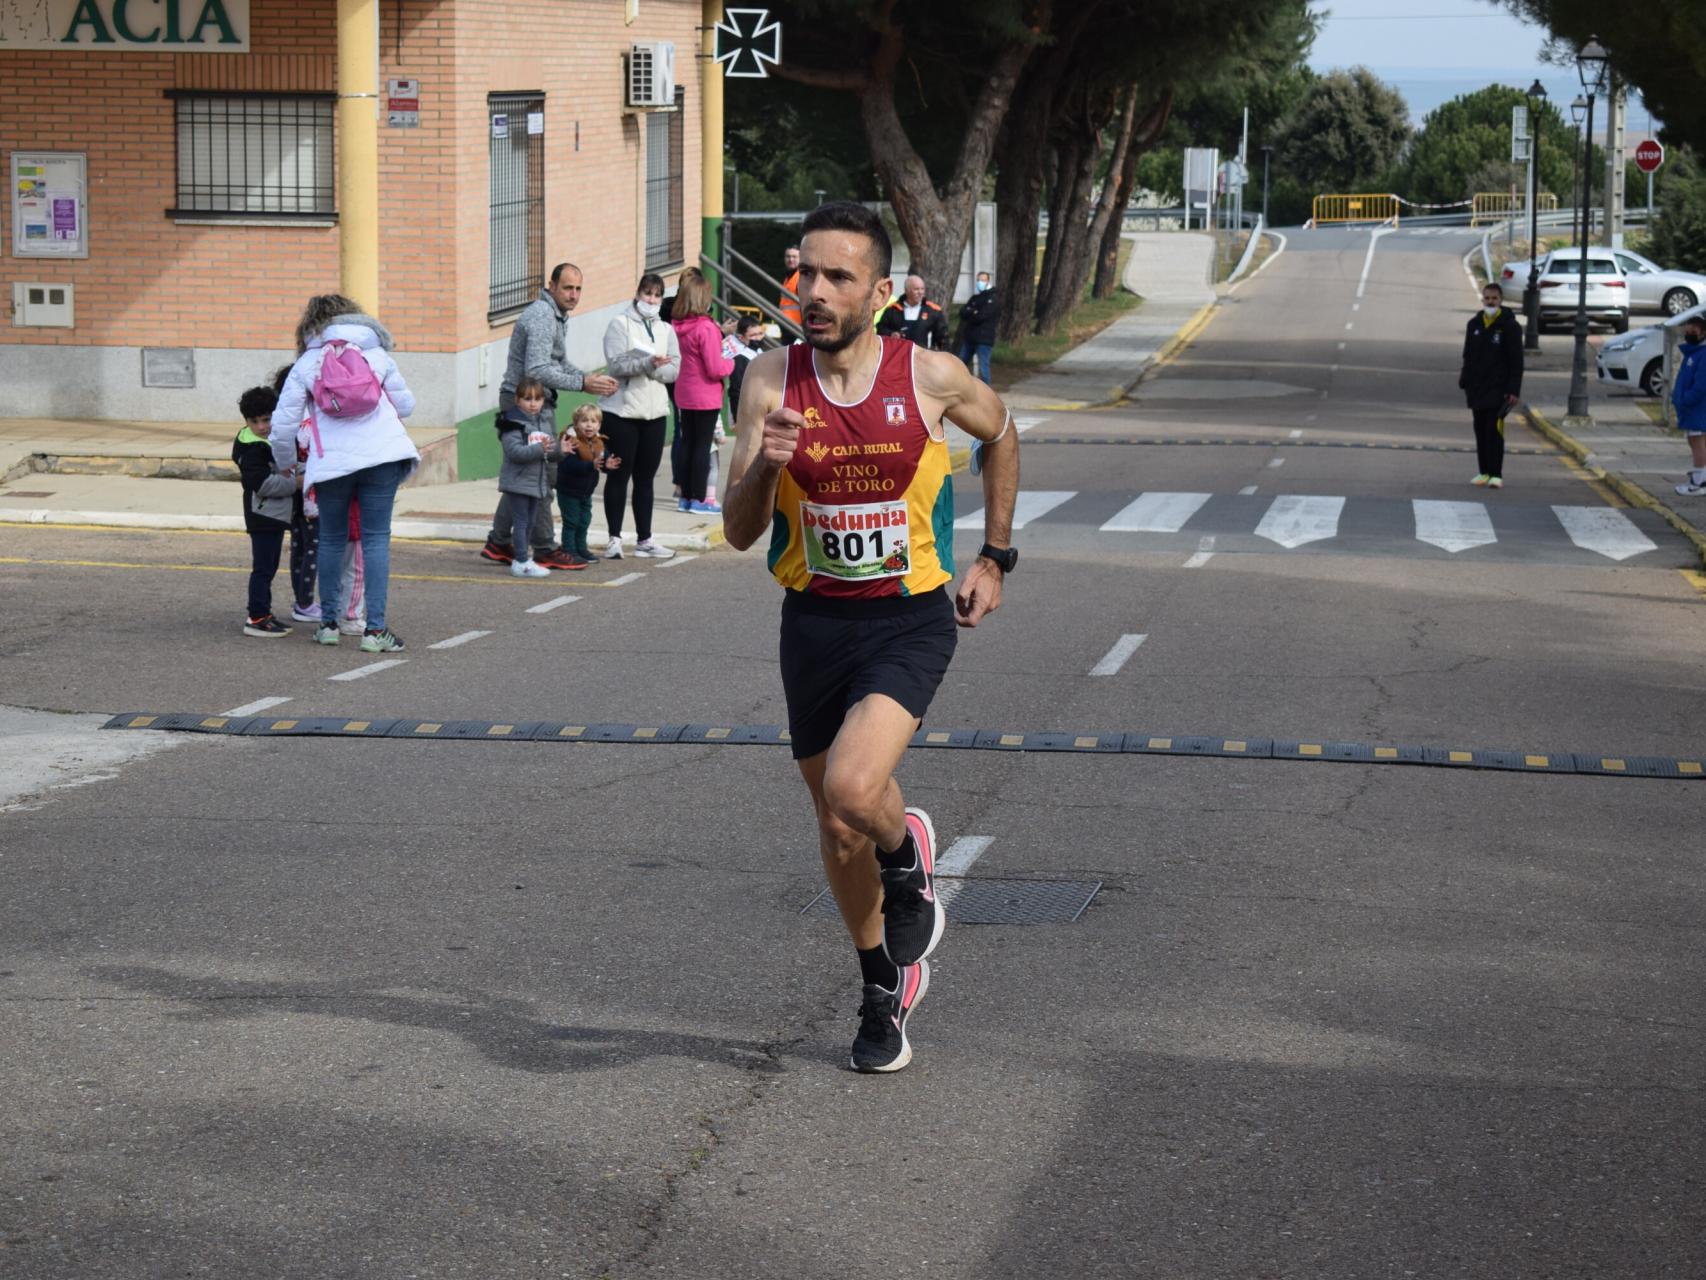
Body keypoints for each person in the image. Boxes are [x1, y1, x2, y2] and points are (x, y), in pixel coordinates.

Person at [721, 201, 1019, 1074]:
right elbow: (740, 530)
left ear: (880, 292)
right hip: (812, 621)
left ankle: (906, 855)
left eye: (837, 277)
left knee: (855, 790)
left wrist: (996, 556)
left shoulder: (930, 377)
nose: (813, 292)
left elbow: (1002, 435)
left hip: (906, 617)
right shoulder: (770, 382)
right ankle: (880, 978)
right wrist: (768, 464)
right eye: (805, 273)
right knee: (835, 822)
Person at [270, 294, 419, 652]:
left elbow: (282, 425)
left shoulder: (307, 363)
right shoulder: (377, 354)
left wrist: (287, 462)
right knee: (376, 540)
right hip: (382, 457)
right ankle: (375, 630)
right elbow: (407, 406)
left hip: (332, 464)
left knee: (333, 539)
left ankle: (329, 624)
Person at [482, 264, 618, 568]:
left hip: (534, 401)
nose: (573, 295)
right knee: (543, 472)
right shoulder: (543, 316)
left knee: (527, 475)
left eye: (578, 289)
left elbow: (557, 362)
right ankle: (544, 547)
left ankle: (499, 542)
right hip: (527, 403)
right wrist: (582, 383)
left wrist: (585, 377)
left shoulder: (555, 314)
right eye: (567, 288)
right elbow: (537, 370)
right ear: (552, 286)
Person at [599, 273, 680, 560]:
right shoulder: (620, 324)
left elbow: (674, 370)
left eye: (657, 295)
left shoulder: (665, 330)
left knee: (645, 479)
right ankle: (613, 538)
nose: (652, 300)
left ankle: (645, 539)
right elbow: (617, 364)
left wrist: (652, 367)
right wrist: (648, 362)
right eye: (647, 294)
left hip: (654, 412)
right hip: (622, 411)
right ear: (637, 294)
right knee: (619, 475)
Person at [232, 385, 296, 638]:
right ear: (246, 421)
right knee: (263, 568)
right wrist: (295, 483)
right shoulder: (251, 448)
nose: (261, 426)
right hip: (262, 515)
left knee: (269, 566)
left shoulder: (270, 440)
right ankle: (256, 617)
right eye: (254, 421)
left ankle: (264, 613)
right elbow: (262, 484)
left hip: (274, 515)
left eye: (266, 419)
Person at [671, 271, 736, 516]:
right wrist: (731, 363)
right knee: (702, 448)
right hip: (705, 394)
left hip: (684, 392)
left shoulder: (677, 327)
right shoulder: (706, 328)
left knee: (687, 445)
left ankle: (686, 496)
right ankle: (700, 497)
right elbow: (715, 367)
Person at [496, 376, 571, 577]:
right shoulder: (512, 422)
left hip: (537, 482)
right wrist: (540, 449)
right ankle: (520, 561)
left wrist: (561, 450)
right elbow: (515, 453)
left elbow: (548, 452)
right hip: (518, 482)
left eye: (537, 399)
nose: (533, 404)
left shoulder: (542, 422)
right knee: (521, 523)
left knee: (530, 522)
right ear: (517, 400)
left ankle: (524, 558)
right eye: (527, 399)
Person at [1458, 282, 1524, 489]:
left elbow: (1517, 361)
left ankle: (1496, 474)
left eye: (1494, 298)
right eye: (1487, 298)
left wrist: (1513, 389)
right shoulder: (1474, 324)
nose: (1490, 301)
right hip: (1477, 388)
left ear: (1501, 300)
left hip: (1499, 389)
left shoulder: (1510, 327)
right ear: (1483, 299)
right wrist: (1465, 379)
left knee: (1493, 430)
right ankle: (1483, 472)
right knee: (1479, 429)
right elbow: (1468, 355)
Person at [271, 363, 320, 625]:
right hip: (310, 490)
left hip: (291, 488)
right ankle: (305, 603)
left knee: (300, 545)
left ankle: (302, 600)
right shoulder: (309, 416)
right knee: (313, 545)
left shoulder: (282, 415)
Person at [558, 403, 613, 563]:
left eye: (593, 421)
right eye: (584, 421)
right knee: (571, 521)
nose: (589, 425)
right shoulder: (571, 442)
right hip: (569, 490)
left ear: (599, 425)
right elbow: (569, 465)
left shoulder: (599, 442)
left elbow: (602, 462)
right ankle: (569, 550)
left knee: (584, 521)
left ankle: (581, 548)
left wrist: (607, 466)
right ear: (575, 424)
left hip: (586, 492)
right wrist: (591, 465)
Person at [1671, 312, 1706, 496]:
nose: (1690, 331)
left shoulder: (1702, 354)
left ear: (1703, 333)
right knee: (1695, 441)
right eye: (1689, 327)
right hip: (1692, 407)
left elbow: (1701, 385)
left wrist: (1686, 400)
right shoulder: (1693, 353)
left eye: (1695, 329)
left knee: (1697, 441)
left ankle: (1698, 483)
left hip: (1697, 407)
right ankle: (1701, 477)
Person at [876, 274, 950, 351]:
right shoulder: (893, 310)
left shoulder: (933, 311)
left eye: (922, 289)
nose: (920, 292)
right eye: (916, 289)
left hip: (925, 357)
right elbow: (880, 330)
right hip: (898, 355)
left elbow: (943, 338)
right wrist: (891, 334)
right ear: (906, 290)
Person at [956, 271, 997, 385]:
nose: (980, 282)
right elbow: (963, 312)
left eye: (983, 280)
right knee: (960, 364)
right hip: (970, 337)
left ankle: (986, 392)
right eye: (979, 280)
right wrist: (973, 312)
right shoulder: (975, 298)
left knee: (983, 368)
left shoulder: (992, 298)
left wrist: (972, 312)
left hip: (984, 339)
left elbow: (982, 316)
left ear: (988, 281)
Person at [726, 314, 767, 420]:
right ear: (741, 337)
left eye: (760, 333)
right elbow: (736, 390)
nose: (758, 338)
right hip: (747, 412)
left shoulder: (759, 351)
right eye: (753, 335)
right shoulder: (740, 358)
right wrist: (737, 416)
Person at [778, 244, 803, 332]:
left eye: (794, 257)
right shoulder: (788, 277)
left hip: (796, 326)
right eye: (788, 256)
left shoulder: (802, 277)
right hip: (786, 323)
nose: (791, 259)